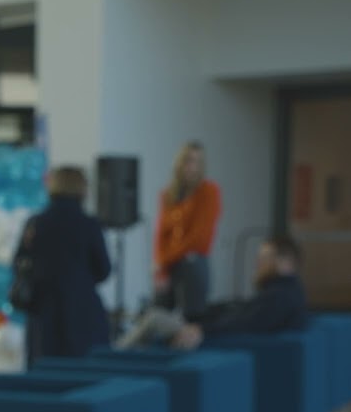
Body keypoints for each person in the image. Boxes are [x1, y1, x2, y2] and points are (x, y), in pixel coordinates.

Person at [117, 234, 307, 350]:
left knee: (155, 318)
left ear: (285, 262)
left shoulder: (280, 297)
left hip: (216, 342)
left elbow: (245, 323)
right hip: (215, 334)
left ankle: (114, 356)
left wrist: (201, 329)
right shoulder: (284, 292)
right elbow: (246, 315)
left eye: (265, 258)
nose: (258, 264)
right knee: (159, 319)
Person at [12, 166, 112, 366]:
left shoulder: (35, 224)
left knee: (44, 378)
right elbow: (103, 270)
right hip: (82, 313)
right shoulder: (88, 225)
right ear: (82, 189)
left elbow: (19, 264)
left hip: (43, 313)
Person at [154, 141, 220, 319]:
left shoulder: (208, 191)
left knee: (191, 318)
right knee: (158, 312)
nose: (192, 167)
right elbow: (161, 234)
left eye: (197, 162)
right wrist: (161, 267)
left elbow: (199, 238)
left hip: (192, 262)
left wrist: (165, 260)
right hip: (170, 264)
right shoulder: (169, 195)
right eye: (188, 161)